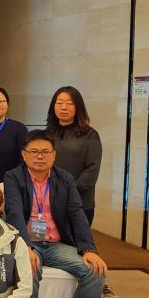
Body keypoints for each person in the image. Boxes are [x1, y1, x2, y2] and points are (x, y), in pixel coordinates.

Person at [4, 130, 108, 298]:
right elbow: (14, 213)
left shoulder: (65, 178)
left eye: (45, 152)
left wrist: (89, 249)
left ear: (54, 155)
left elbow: (76, 213)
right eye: (34, 152)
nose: (39, 156)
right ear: (24, 155)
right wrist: (25, 247)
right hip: (29, 243)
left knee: (94, 270)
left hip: (56, 244)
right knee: (29, 267)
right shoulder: (13, 177)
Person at [47, 86, 103, 224]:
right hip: (48, 200)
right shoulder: (47, 134)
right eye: (59, 103)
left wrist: (68, 192)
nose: (64, 107)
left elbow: (92, 170)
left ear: (78, 107)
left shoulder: (90, 135)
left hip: (79, 202)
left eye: (70, 103)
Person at [0, 86, 29, 183]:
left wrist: (10, 182)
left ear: (7, 104)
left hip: (10, 183)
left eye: (0, 101)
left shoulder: (19, 129)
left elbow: (25, 160)